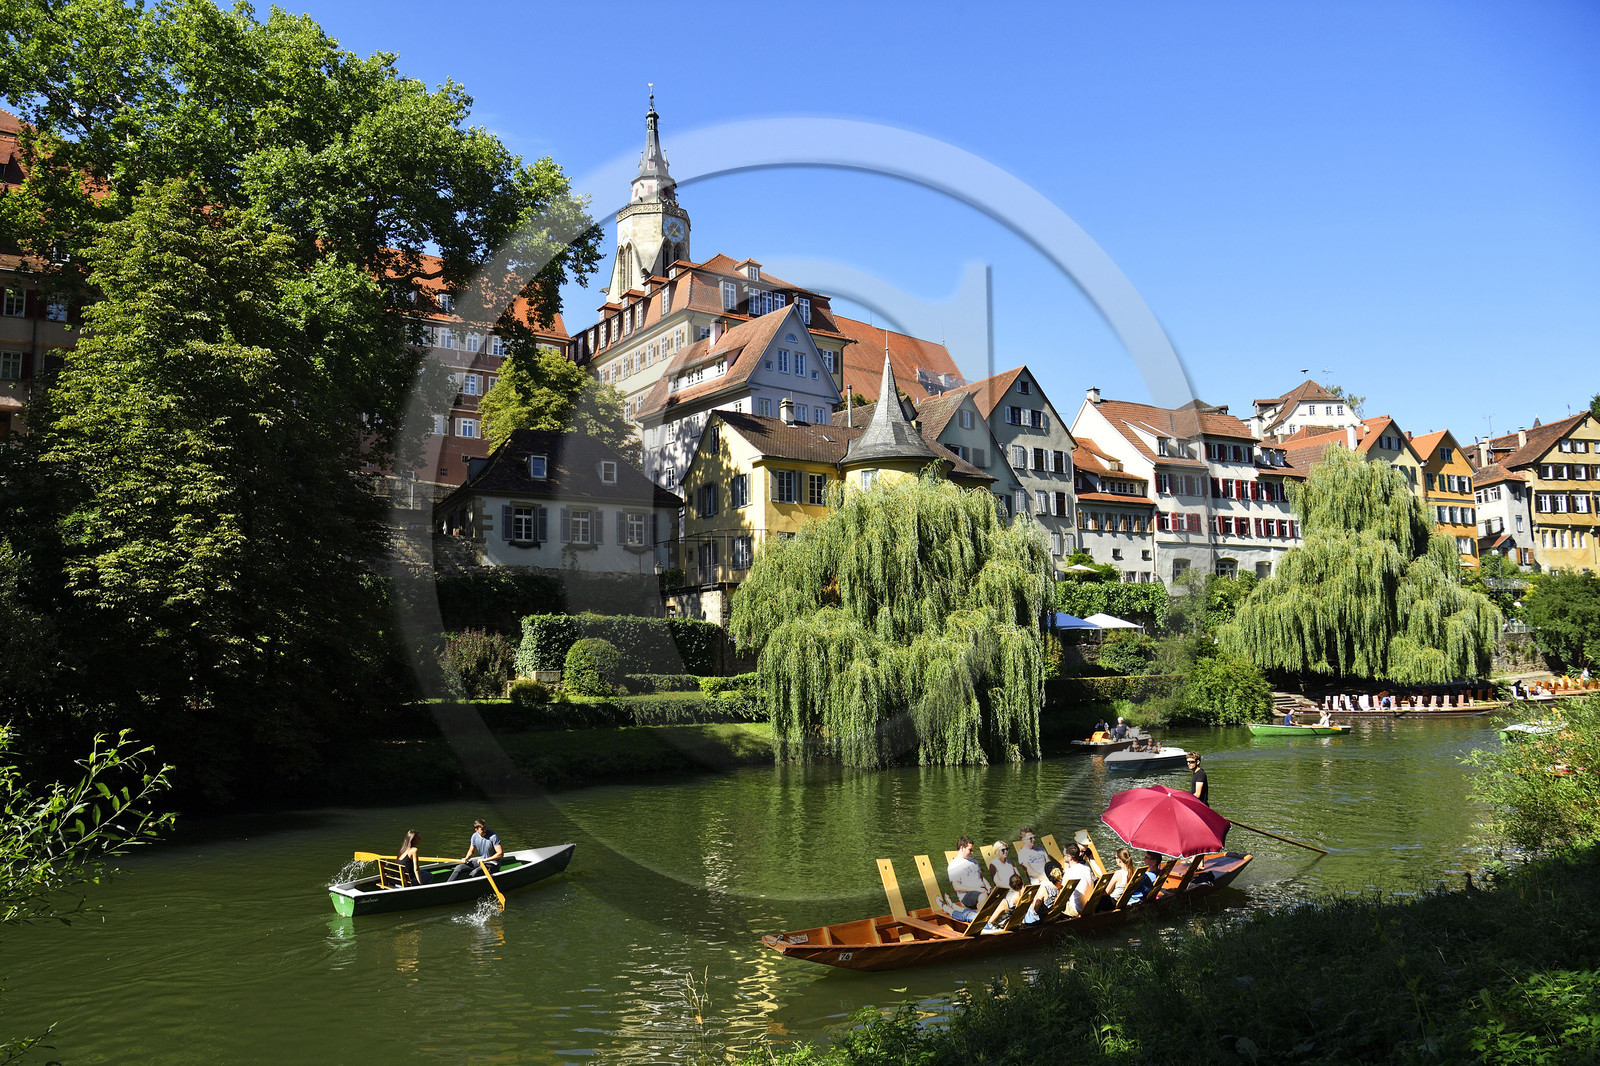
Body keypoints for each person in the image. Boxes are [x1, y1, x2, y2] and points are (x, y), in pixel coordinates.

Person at [447, 818, 503, 883]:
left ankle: (467, 886)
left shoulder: (493, 836)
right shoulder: (474, 836)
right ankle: (446, 885)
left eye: (485, 827)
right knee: (458, 868)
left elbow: (500, 854)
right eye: (482, 829)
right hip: (481, 861)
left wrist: (485, 860)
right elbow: (471, 851)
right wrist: (466, 858)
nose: (485, 830)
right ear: (476, 830)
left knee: (474, 872)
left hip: (493, 864)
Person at [946, 836, 990, 908]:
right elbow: (956, 886)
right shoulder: (954, 865)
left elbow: (981, 877)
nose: (972, 852)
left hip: (981, 890)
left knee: (999, 896)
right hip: (967, 894)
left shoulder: (973, 861)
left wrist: (989, 888)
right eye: (970, 850)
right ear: (962, 848)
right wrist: (977, 889)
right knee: (983, 897)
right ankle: (981, 918)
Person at [1059, 843, 1096, 916]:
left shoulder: (1069, 873)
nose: (1063, 856)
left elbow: (1061, 894)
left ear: (1069, 857)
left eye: (1064, 855)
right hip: (1089, 907)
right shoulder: (1086, 868)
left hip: (1076, 909)